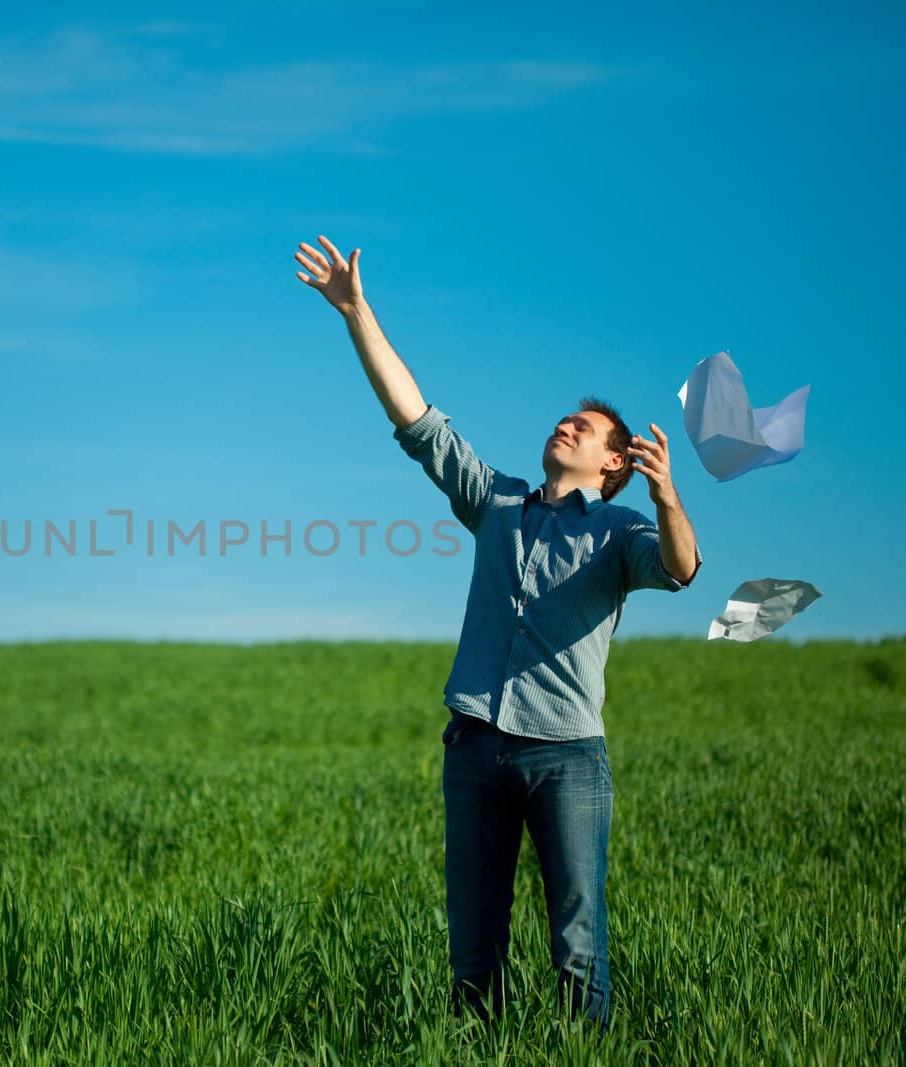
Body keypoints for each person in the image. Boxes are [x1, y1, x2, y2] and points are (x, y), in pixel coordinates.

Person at [294, 234, 701, 1033]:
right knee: (472, 951)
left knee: (578, 943)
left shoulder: (621, 531)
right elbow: (416, 418)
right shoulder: (497, 503)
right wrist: (356, 312)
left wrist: (666, 499)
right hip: (475, 744)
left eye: (585, 428)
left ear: (615, 463)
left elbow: (683, 568)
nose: (567, 426)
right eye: (565, 419)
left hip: (566, 757)